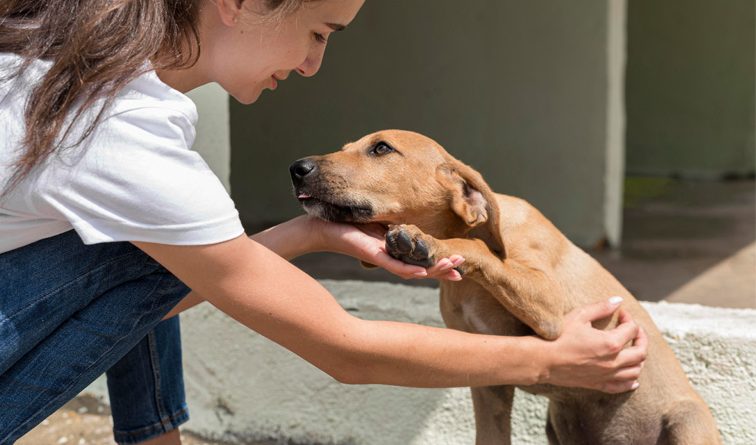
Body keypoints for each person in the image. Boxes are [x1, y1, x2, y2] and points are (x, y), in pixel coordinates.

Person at [0, 1, 648, 444]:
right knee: (155, 242)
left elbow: (175, 284)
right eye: (319, 33)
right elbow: (344, 348)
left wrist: (313, 232)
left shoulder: (67, 60)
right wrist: (550, 360)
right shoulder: (117, 131)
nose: (314, 65)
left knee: (166, 242)